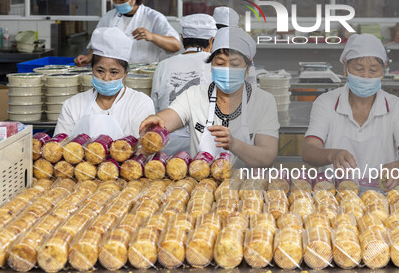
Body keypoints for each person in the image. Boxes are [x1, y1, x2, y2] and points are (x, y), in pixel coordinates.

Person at [139, 27, 279, 167]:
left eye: (235, 64)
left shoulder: (264, 101)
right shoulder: (194, 95)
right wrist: (158, 121)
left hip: (247, 185)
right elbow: (169, 118)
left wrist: (234, 144)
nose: (227, 69)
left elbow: (267, 157)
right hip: (201, 186)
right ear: (211, 66)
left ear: (247, 67)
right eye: (220, 63)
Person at [302, 34, 399, 190]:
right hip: (332, 196)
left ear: (383, 70)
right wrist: (332, 155)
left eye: (373, 70)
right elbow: (309, 150)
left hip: (380, 196)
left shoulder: (397, 107)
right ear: (345, 67)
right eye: (358, 69)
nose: (365, 76)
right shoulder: (326, 103)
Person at [56, 27, 155, 139]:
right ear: (91, 69)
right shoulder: (73, 105)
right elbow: (58, 147)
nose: (106, 78)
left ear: (125, 74)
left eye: (114, 72)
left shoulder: (140, 103)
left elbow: (145, 147)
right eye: (100, 71)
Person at [74, 0, 181, 66]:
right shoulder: (109, 17)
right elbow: (98, 44)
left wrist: (152, 37)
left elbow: (175, 45)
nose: (117, 3)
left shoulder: (153, 17)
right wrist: (88, 57)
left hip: (144, 72)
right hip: (114, 74)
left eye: (122, 0)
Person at [150, 13, 217, 154]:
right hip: (203, 148)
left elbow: (155, 107)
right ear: (212, 41)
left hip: (167, 146)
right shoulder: (217, 65)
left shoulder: (163, 65)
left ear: (181, 39)